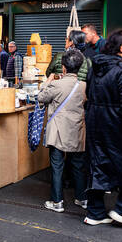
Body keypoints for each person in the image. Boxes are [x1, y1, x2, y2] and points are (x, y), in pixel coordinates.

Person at [84, 29, 122, 229]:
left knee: (97, 163)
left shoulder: (95, 66)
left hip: (94, 119)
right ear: (121, 49)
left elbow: (88, 93)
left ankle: (95, 212)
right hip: (115, 122)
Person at [38, 49, 88, 213]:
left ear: (64, 67)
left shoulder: (56, 84)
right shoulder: (83, 86)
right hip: (78, 129)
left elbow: (41, 97)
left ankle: (57, 201)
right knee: (79, 165)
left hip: (58, 130)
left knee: (57, 166)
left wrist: (48, 80)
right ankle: (82, 198)